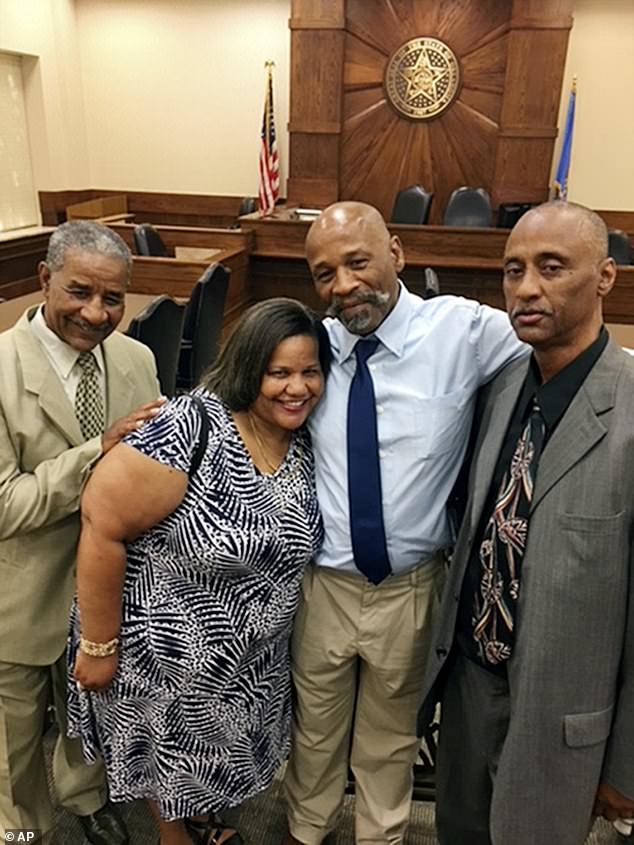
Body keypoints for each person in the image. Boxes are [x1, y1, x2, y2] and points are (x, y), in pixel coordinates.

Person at [282, 201, 525, 845]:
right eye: (324, 273)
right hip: (323, 585)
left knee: (391, 738)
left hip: (412, 587)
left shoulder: (463, 332)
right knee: (313, 729)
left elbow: (565, 348)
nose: (342, 286)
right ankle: (306, 832)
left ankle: (380, 836)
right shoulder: (312, 347)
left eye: (358, 262)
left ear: (397, 251)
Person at [67, 298, 331, 845]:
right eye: (278, 373)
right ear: (247, 368)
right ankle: (175, 835)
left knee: (215, 770)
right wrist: (97, 645)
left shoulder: (302, 436)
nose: (297, 388)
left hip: (250, 662)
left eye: (310, 372)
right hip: (167, 658)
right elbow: (102, 522)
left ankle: (202, 822)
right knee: (174, 772)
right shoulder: (192, 427)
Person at [419, 201, 634, 845]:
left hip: (562, 713)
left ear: (604, 278)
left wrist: (627, 763)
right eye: (513, 270)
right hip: (470, 689)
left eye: (552, 267)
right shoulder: (503, 384)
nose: (527, 289)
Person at [0, 220, 163, 843]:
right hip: (19, 596)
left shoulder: (137, 359)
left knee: (87, 719)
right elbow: (7, 506)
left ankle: (87, 800)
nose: (96, 314)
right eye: (78, 292)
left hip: (105, 593)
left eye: (113, 298)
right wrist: (99, 449)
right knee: (12, 751)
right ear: (45, 279)